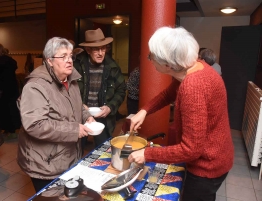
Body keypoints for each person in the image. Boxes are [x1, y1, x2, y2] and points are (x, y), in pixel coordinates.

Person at [128, 27, 234, 201]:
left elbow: (190, 150)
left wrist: (147, 154)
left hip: (207, 165)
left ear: (168, 65)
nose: (150, 60)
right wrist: (144, 111)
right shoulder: (195, 67)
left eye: (151, 57)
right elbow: (167, 95)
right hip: (217, 154)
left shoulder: (193, 86)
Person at [17, 37, 95, 192]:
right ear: (49, 61)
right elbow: (35, 125)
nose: (69, 60)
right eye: (63, 56)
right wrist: (74, 130)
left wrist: (87, 116)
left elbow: (77, 106)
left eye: (71, 56)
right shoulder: (35, 86)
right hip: (46, 162)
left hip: (69, 155)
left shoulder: (70, 79)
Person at [74, 28, 126, 147]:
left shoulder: (112, 66)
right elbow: (67, 90)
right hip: (80, 116)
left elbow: (121, 90)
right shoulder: (77, 65)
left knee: (103, 150)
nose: (101, 53)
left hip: (104, 117)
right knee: (76, 150)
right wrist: (80, 105)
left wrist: (110, 107)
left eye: (103, 48)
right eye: (96, 49)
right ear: (88, 50)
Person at [0, 43, 21, 138]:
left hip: (2, 92)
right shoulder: (10, 61)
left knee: (3, 110)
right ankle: (12, 129)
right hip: (12, 89)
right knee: (12, 109)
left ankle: (7, 129)